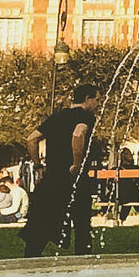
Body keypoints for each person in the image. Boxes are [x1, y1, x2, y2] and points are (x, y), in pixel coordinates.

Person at [20, 82, 101, 256]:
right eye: (97, 100)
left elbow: (31, 139)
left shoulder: (56, 117)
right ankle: (83, 259)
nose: (98, 104)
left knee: (44, 219)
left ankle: (31, 256)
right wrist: (76, 163)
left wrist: (37, 165)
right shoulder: (85, 117)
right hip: (74, 178)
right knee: (82, 223)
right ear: (88, 99)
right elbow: (78, 134)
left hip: (52, 178)